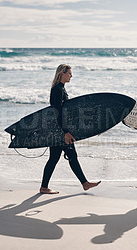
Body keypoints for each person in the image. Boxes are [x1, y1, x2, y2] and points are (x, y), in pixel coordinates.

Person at [40, 64, 101, 194]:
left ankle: (45, 187)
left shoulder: (60, 89)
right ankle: (84, 183)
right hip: (60, 131)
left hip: (59, 130)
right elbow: (57, 112)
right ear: (62, 73)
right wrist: (65, 132)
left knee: (58, 158)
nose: (71, 75)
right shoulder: (57, 89)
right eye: (69, 73)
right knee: (68, 156)